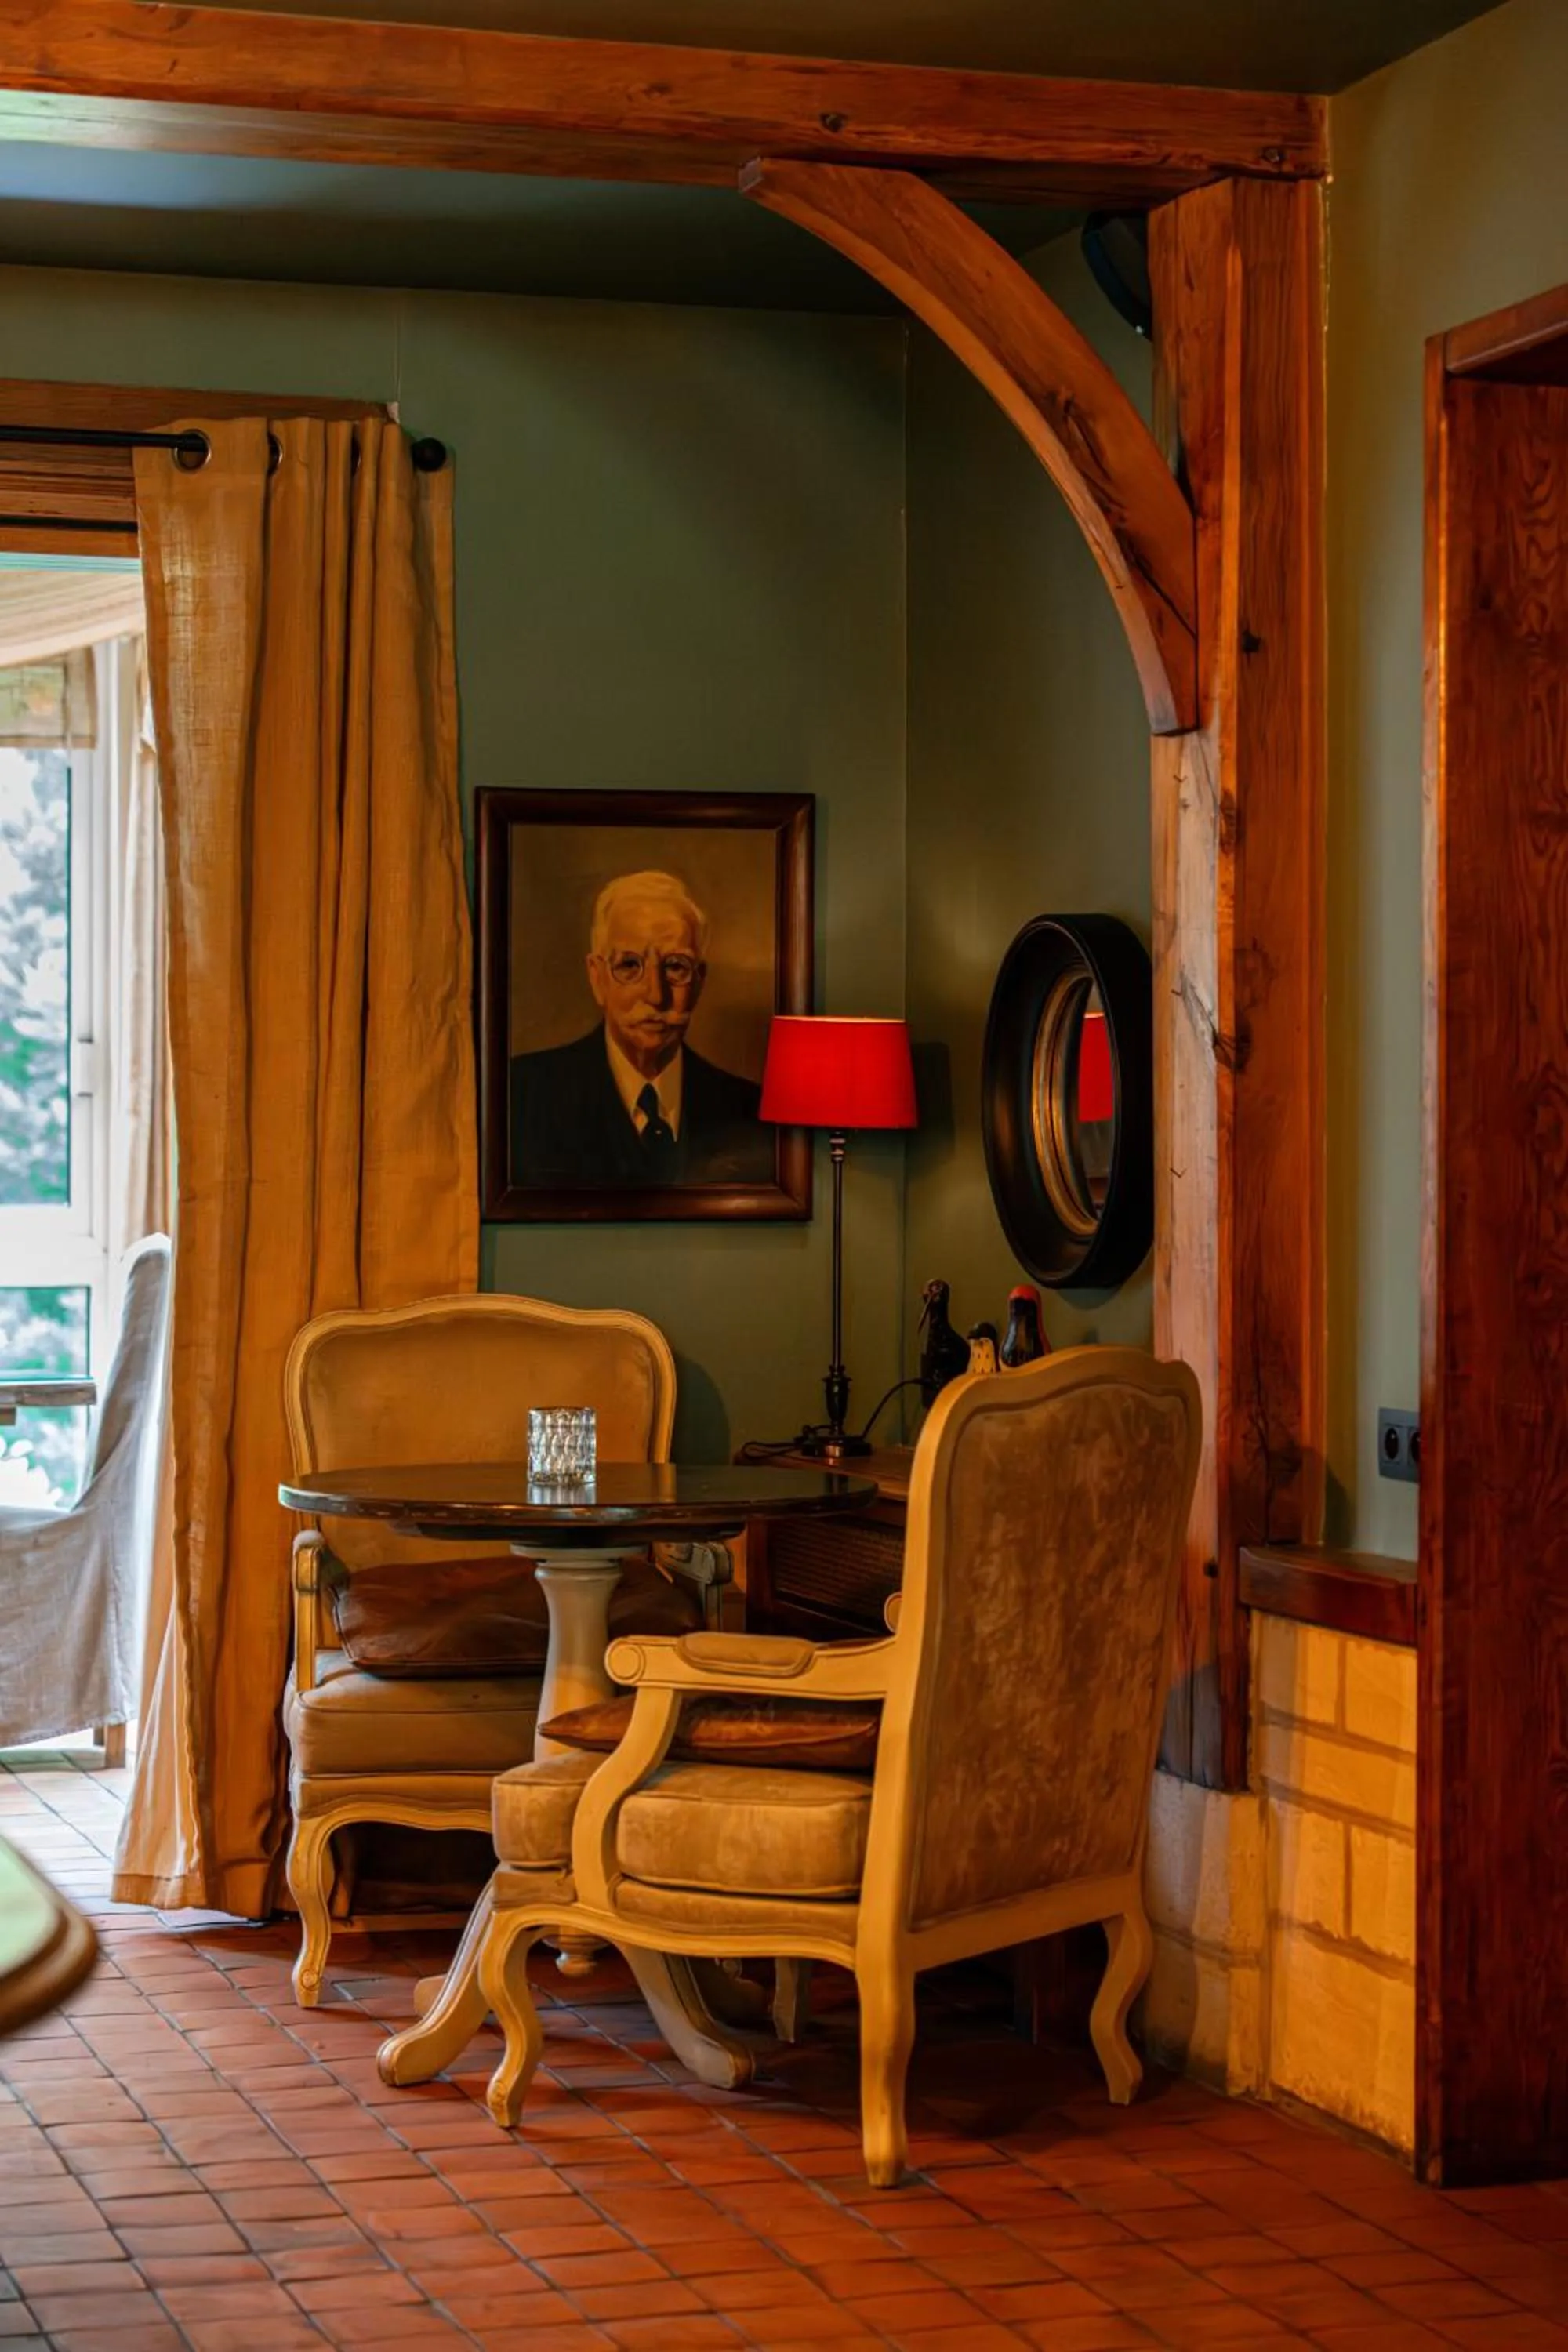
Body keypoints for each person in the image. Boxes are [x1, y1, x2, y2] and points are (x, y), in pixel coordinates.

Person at [510, 869, 772, 1188]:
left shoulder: (749, 1111)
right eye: (630, 965)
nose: (655, 994)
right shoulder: (521, 1096)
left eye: (676, 966)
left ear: (700, 981)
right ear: (597, 977)